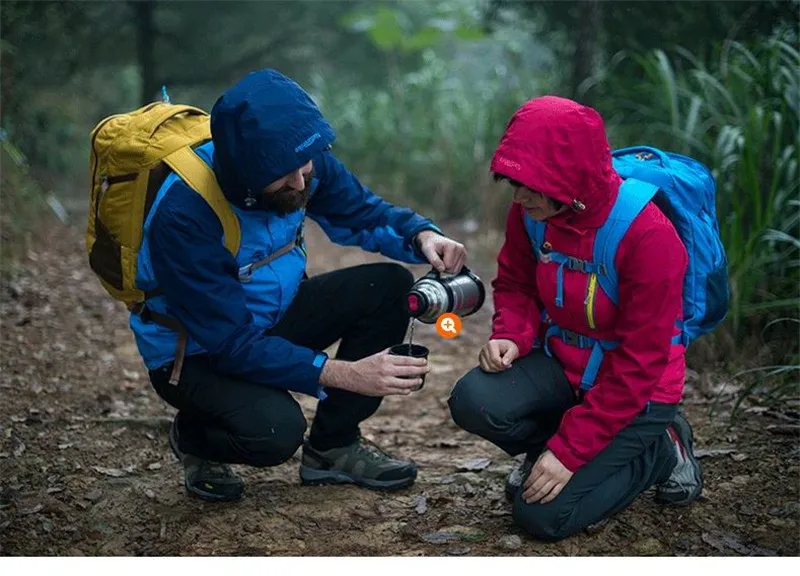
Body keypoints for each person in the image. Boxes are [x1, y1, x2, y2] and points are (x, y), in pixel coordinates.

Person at [133, 69, 467, 502]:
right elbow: (230, 343)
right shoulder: (184, 215)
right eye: (282, 176)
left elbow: (361, 212)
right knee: (274, 432)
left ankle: (333, 447)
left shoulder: (299, 159)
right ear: (242, 173)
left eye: (304, 167)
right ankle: (196, 435)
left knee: (387, 287)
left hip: (273, 316)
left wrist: (423, 235)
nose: (299, 182)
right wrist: (344, 373)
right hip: (195, 354)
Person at [447, 96, 702, 541]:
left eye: (532, 185)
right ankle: (555, 449)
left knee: (541, 517)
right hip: (565, 365)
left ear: (571, 181)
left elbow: (640, 361)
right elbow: (517, 283)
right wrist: (512, 333)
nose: (519, 196)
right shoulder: (532, 214)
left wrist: (569, 452)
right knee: (474, 400)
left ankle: (661, 449)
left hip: (638, 389)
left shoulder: (648, 236)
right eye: (513, 183)